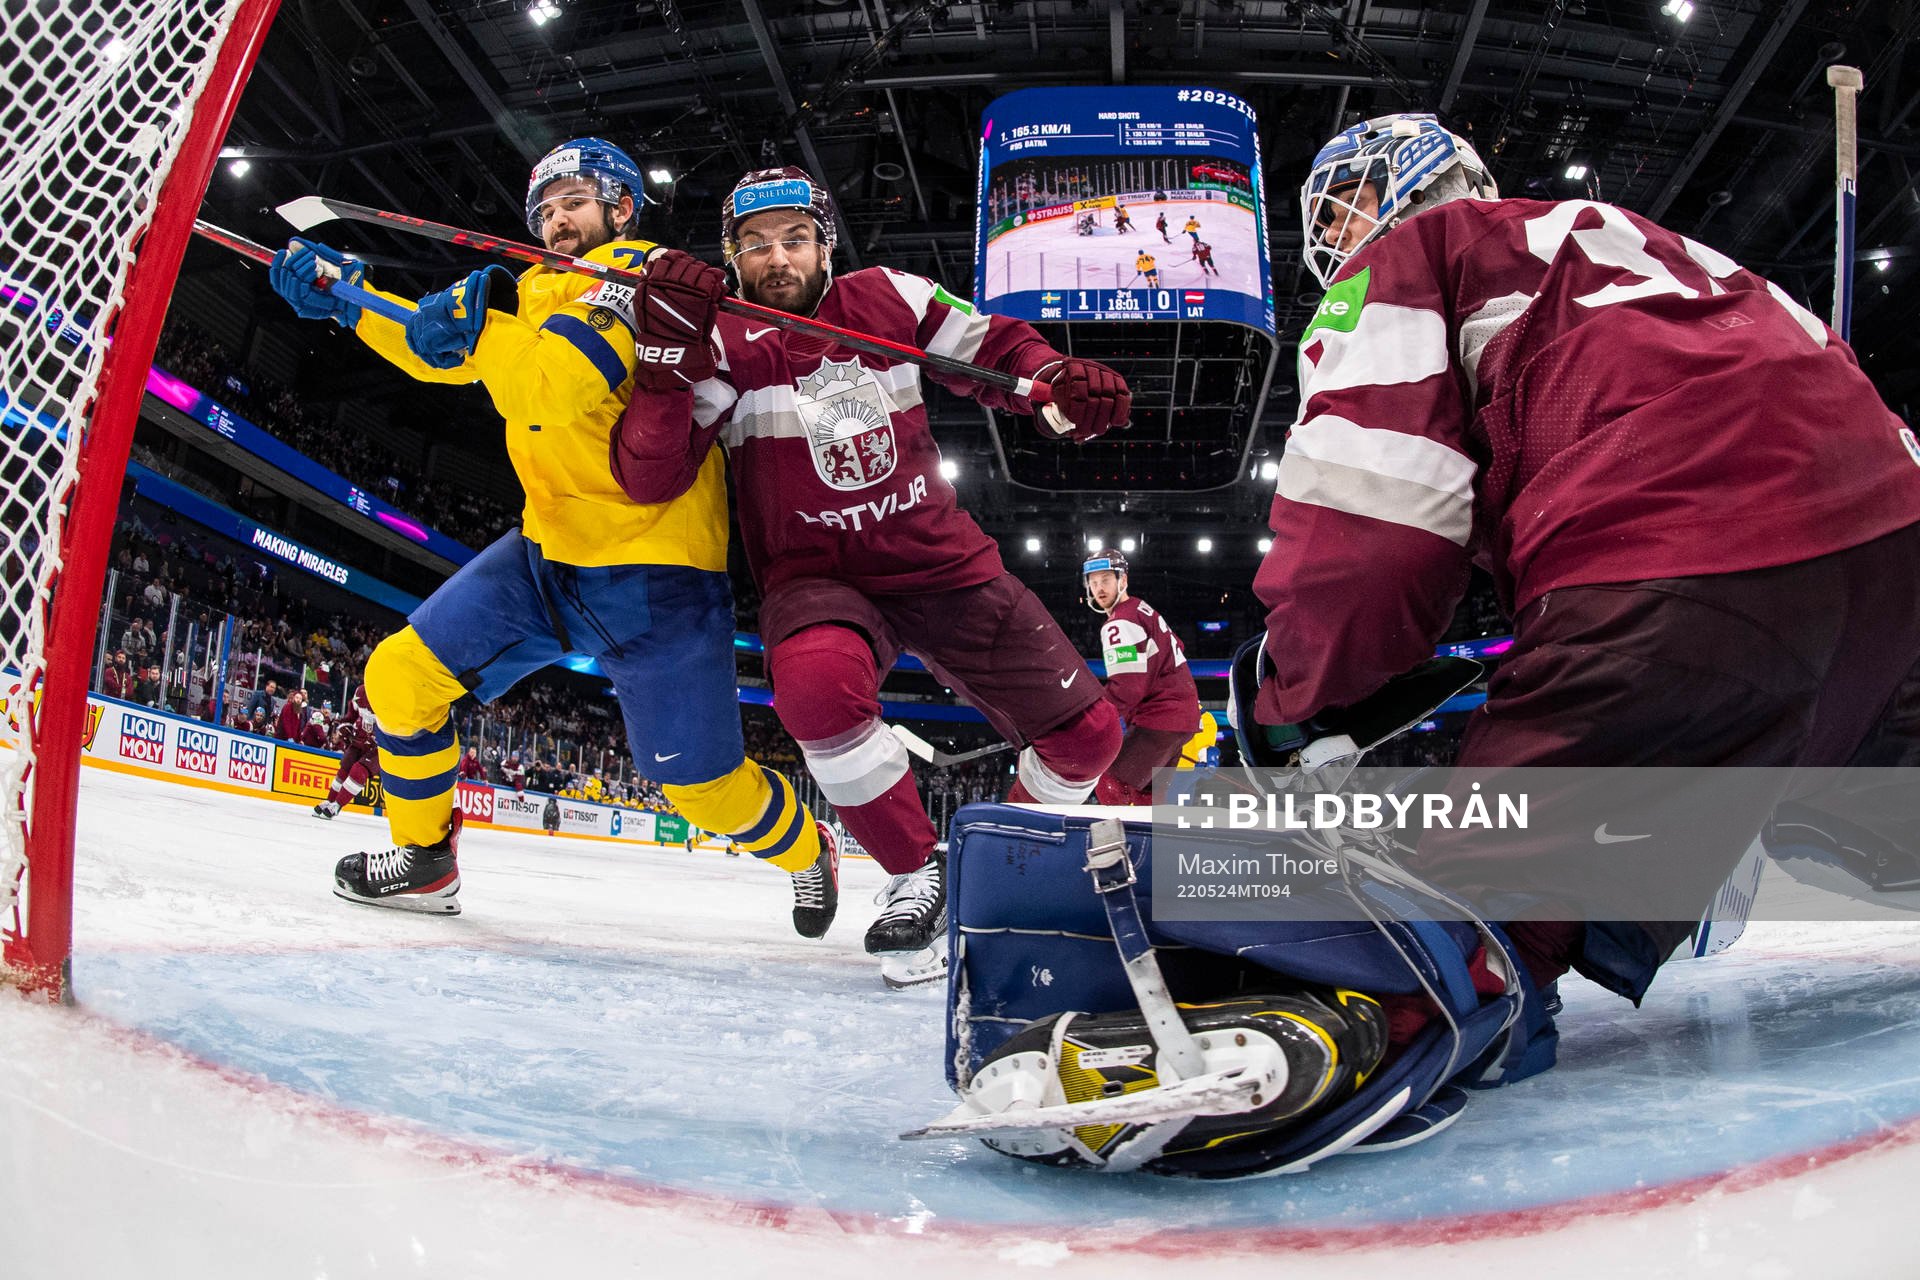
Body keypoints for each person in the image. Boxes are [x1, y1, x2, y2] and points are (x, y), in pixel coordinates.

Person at [1253, 112, 1920, 1003]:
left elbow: (1372, 528)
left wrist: (1297, 694)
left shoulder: (1409, 257)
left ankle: (1423, 1001)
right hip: (1898, 541)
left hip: (1685, 548)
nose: (1334, 232)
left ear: (1413, 180)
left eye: (1346, 202)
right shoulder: (1651, 242)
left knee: (1445, 948)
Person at [267, 138, 837, 934]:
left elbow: (551, 386)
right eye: (546, 209)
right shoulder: (541, 285)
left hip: (656, 576)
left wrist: (473, 330)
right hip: (544, 555)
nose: (557, 220)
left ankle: (810, 850)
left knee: (701, 790)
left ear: (622, 208)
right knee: (399, 679)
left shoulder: (639, 274)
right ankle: (425, 859)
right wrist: (352, 302)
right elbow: (447, 358)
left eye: (575, 201)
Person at [615, 165, 1130, 984]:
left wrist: (1055, 383)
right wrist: (663, 364)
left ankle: (991, 872)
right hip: (815, 577)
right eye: (755, 245)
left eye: (795, 239)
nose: (776, 258)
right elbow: (652, 477)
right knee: (815, 693)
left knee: (1090, 736)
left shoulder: (889, 294)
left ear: (825, 245)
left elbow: (996, 350)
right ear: (733, 258)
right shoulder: (717, 341)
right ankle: (915, 874)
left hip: (937, 559)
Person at [1078, 549, 1201, 807]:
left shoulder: (1119, 622)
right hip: (1181, 719)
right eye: (1093, 582)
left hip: (1160, 719)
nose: (1099, 588)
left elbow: (1127, 688)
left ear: (1122, 580)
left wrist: (1093, 721)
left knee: (1111, 783)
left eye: (1105, 580)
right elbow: (1176, 647)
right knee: (1148, 796)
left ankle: (1120, 836)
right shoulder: (1141, 609)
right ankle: (1151, 835)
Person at [314, 687, 381, 819]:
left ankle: (337, 805)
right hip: (359, 739)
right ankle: (330, 800)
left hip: (379, 746)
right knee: (344, 769)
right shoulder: (361, 691)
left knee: (359, 770)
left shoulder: (392, 695)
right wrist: (344, 725)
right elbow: (352, 715)